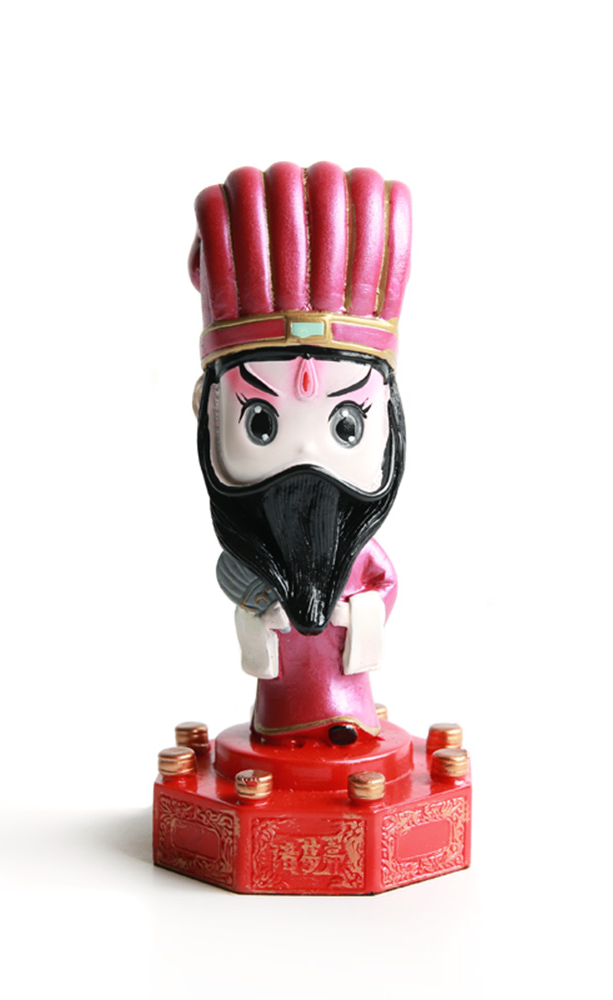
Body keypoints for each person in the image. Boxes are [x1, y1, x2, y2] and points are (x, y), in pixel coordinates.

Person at [189, 162, 412, 745]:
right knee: (279, 717)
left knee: (345, 717)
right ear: (209, 413)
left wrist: (353, 614)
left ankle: (344, 719)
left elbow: (383, 585)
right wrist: (262, 617)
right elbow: (241, 597)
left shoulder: (357, 551)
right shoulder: (249, 560)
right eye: (261, 423)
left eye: (346, 425)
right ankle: (280, 727)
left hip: (347, 694)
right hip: (280, 698)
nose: (307, 453)